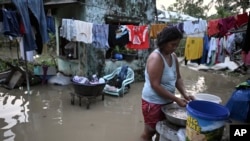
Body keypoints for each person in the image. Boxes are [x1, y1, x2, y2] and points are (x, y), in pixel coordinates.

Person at [140, 27, 194, 141]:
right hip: (153, 102)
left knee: (162, 130)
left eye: (177, 44)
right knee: (149, 132)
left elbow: (178, 78)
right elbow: (155, 85)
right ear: (163, 42)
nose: (175, 48)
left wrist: (185, 94)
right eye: (172, 44)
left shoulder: (173, 56)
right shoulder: (156, 58)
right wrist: (176, 99)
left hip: (167, 101)